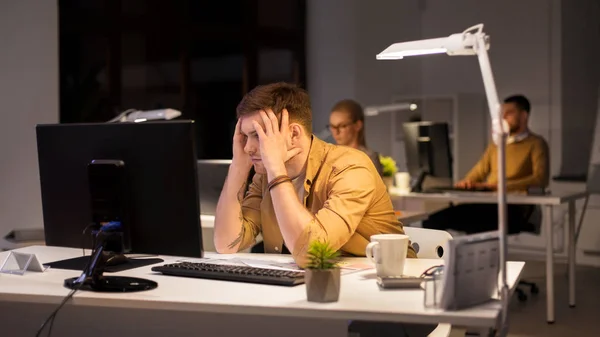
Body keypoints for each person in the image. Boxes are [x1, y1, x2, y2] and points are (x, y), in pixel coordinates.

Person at [213, 83, 417, 266]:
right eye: (244, 137)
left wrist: (276, 168)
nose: (248, 147)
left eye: (258, 135)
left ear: (293, 134)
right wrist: (238, 167)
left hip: (387, 286)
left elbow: (311, 254)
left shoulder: (351, 166)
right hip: (320, 286)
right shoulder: (264, 176)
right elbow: (226, 244)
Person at [423, 94, 550, 234]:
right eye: (502, 114)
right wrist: (466, 183)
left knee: (474, 223)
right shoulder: (496, 145)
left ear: (524, 116)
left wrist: (497, 186)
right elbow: (479, 171)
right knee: (432, 220)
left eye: (509, 113)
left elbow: (540, 179)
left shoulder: (536, 144)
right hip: (489, 202)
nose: (504, 118)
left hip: (514, 207)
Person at [329, 99, 384, 176]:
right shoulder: (329, 157)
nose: (336, 132)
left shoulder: (368, 158)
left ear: (358, 125)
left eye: (342, 126)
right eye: (332, 126)